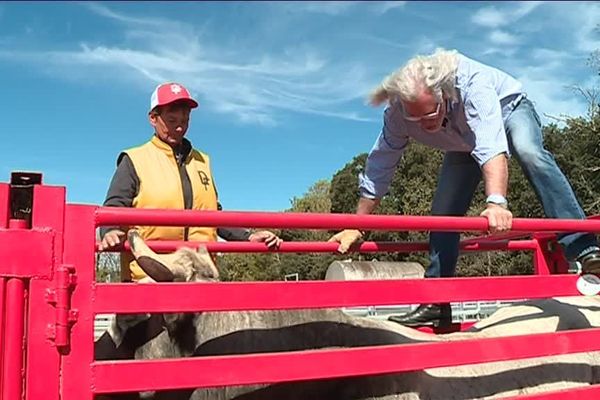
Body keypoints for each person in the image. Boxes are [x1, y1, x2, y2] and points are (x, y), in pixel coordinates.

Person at [329, 49, 600, 327]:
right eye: (416, 119)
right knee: (443, 213)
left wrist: (496, 202)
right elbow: (380, 165)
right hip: (462, 142)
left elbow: (490, 144)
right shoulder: (398, 114)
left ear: (443, 93)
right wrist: (357, 224)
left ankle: (584, 248)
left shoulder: (472, 82)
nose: (425, 124)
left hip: (508, 110)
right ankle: (437, 301)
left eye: (431, 113)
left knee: (529, 152)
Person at [99, 82, 281, 282]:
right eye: (172, 119)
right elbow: (114, 207)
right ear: (153, 118)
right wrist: (110, 231)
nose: (180, 126)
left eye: (185, 119)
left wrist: (247, 237)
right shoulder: (134, 159)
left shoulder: (202, 161)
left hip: (201, 275)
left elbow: (214, 215)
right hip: (150, 276)